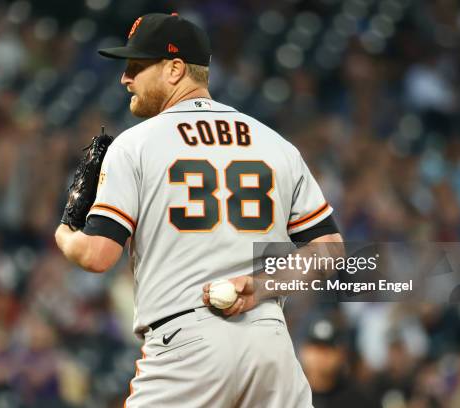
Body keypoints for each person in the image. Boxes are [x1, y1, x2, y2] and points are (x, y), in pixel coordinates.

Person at [55, 12, 342, 407]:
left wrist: (66, 231)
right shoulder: (275, 144)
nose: (125, 78)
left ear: (175, 69)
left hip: (187, 345)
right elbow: (330, 251)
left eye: (137, 65)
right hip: (270, 344)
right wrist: (261, 286)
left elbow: (98, 255)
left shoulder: (136, 144)